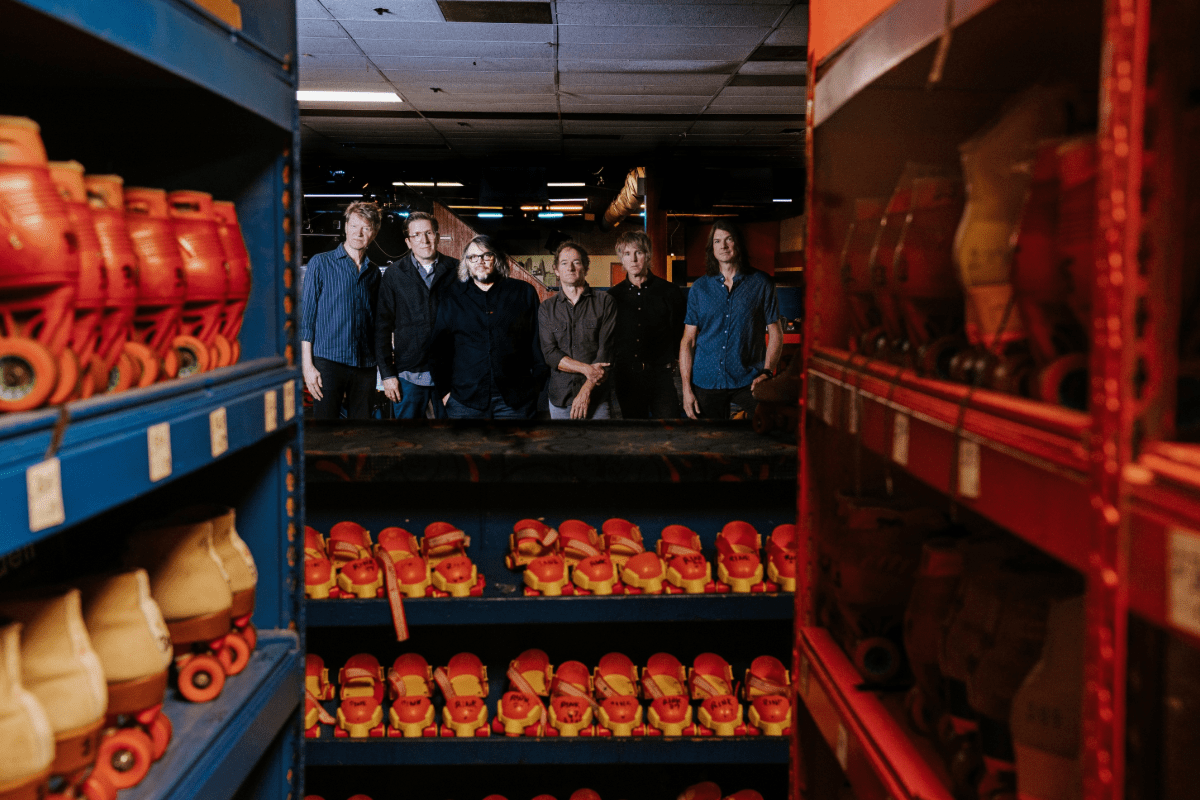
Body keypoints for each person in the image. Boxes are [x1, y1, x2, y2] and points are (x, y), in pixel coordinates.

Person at [431, 235, 548, 419]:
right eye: (473, 257)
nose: (480, 261)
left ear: (497, 259)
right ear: (466, 263)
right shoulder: (451, 297)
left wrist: (536, 388)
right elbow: (439, 349)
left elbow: (537, 343)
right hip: (465, 401)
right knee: (469, 449)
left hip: (516, 401)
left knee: (516, 448)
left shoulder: (523, 292)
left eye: (486, 256)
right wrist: (445, 394)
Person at [680, 219, 783, 420]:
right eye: (717, 241)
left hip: (749, 378)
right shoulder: (700, 288)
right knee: (710, 443)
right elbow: (688, 340)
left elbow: (775, 332)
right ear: (712, 248)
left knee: (768, 427)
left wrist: (767, 372)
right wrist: (686, 388)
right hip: (707, 379)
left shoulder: (761, 283)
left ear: (738, 243)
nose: (723, 246)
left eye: (729, 239)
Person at [299, 201, 382, 420]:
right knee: (326, 430)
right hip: (328, 361)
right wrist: (308, 367)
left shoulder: (374, 272)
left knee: (362, 433)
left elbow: (376, 321)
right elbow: (306, 319)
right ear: (345, 227)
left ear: (374, 232)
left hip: (365, 364)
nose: (358, 232)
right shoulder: (321, 263)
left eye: (366, 227)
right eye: (354, 226)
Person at [375, 211, 460, 419]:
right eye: (417, 235)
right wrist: (387, 375)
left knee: (453, 441)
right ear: (408, 241)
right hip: (408, 375)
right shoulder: (394, 274)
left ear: (437, 236)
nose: (424, 240)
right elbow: (381, 328)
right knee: (407, 440)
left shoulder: (457, 270)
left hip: (451, 375)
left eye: (429, 233)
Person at [608, 229, 684, 419]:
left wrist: (674, 359)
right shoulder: (612, 297)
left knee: (670, 431)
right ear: (621, 259)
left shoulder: (670, 292)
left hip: (662, 377)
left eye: (638, 253)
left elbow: (680, 332)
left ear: (647, 256)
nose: (633, 259)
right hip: (627, 378)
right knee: (634, 435)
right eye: (627, 254)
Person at [538, 242, 616, 419]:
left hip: (597, 397)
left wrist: (586, 390)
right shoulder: (547, 308)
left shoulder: (605, 302)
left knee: (600, 446)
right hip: (560, 398)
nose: (570, 267)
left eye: (577, 262)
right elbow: (550, 355)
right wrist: (587, 370)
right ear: (556, 270)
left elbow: (606, 353)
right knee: (560, 447)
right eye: (564, 263)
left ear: (586, 268)